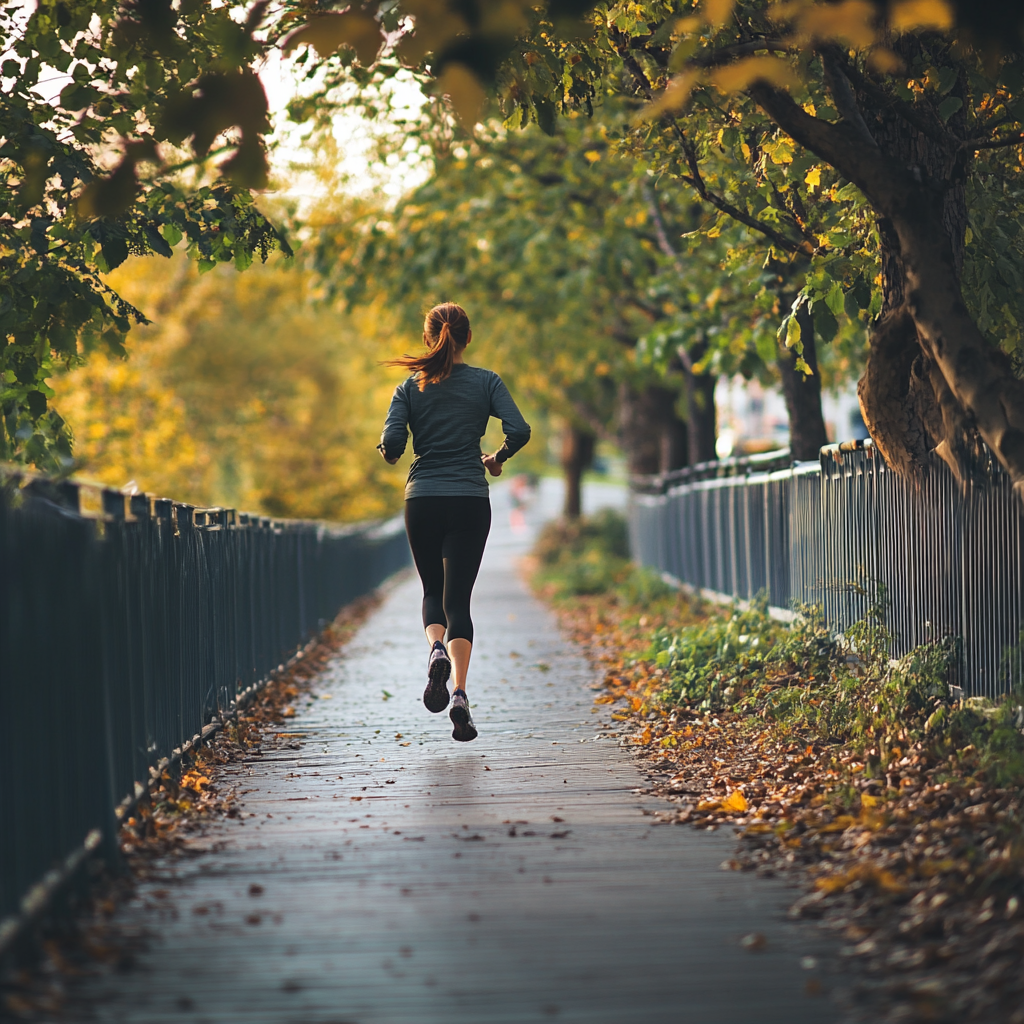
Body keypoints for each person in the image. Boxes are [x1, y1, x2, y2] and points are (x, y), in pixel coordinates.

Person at [377, 302, 531, 742]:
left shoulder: (409, 387)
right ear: (468, 337)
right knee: (458, 600)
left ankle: (435, 650)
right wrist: (496, 459)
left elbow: (393, 443)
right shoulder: (487, 382)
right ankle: (460, 694)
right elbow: (519, 430)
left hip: (422, 499)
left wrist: (387, 451)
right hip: (469, 498)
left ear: (429, 338)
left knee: (431, 592)